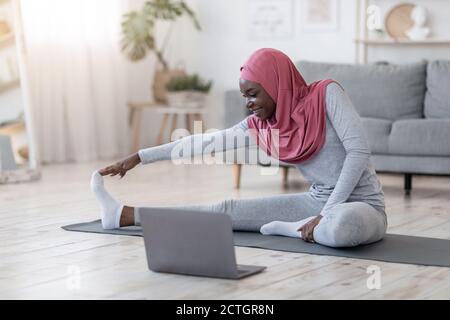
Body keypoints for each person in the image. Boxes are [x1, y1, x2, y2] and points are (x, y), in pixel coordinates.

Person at [90, 48, 387, 248]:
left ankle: (296, 227)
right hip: (316, 202)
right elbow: (203, 141)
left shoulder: (326, 93)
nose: (248, 103)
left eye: (253, 94)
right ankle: (124, 215)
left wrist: (331, 211)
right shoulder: (264, 126)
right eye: (245, 96)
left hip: (363, 206)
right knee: (225, 210)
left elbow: (359, 152)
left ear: (276, 83)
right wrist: (141, 156)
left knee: (341, 227)